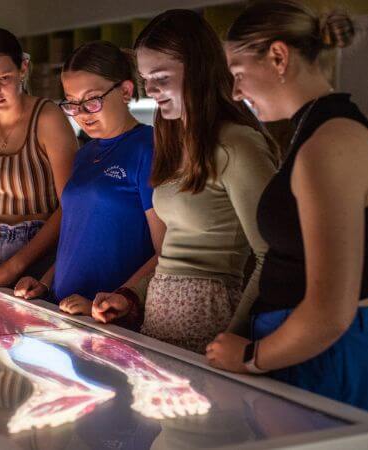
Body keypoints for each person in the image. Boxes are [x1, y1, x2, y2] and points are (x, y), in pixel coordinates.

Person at [206, 0, 368, 423]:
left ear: (278, 56)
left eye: (238, 74)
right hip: (296, 352)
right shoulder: (312, 131)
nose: (236, 92)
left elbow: (331, 311)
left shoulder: (331, 142)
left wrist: (253, 356)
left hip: (327, 358)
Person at [92, 9, 278, 354]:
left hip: (211, 325)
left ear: (199, 70)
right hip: (160, 323)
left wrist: (236, 337)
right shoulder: (177, 140)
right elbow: (174, 253)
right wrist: (131, 297)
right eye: (146, 77)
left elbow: (273, 256)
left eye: (160, 76)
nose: (150, 89)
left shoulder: (237, 143)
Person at [14, 41, 164, 326]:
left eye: (92, 100)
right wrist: (45, 283)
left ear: (125, 91)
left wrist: (119, 298)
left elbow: (165, 252)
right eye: (72, 103)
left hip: (108, 317)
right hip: (62, 309)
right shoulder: (85, 154)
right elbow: (77, 239)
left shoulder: (149, 148)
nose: (81, 113)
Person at [0, 28, 77, 287]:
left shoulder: (47, 117)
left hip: (38, 257)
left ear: (23, 68)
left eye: (4, 78)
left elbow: (70, 206)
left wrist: (16, 264)